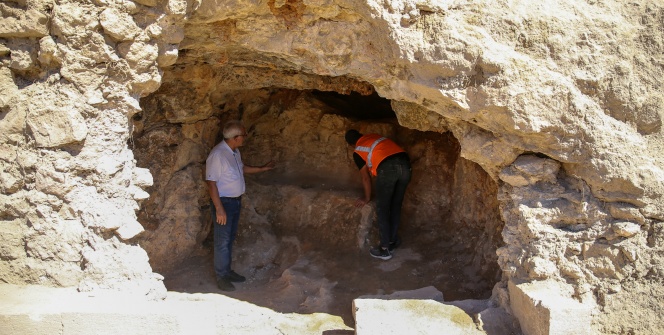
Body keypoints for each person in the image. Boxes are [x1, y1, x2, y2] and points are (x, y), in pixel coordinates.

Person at [206, 120, 274, 291]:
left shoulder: (234, 152)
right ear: (235, 138)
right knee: (222, 241)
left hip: (235, 201)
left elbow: (241, 169)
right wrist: (219, 209)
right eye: (244, 135)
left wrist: (262, 169)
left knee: (229, 238)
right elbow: (211, 183)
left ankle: (227, 271)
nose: (246, 137)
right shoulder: (218, 155)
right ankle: (221, 277)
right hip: (224, 203)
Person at [345, 129, 412, 260]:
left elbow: (365, 178)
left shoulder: (358, 150)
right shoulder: (373, 137)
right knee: (396, 206)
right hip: (405, 165)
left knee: (383, 208)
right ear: (361, 135)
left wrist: (367, 197)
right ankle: (393, 241)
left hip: (388, 169)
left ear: (351, 144)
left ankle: (384, 249)